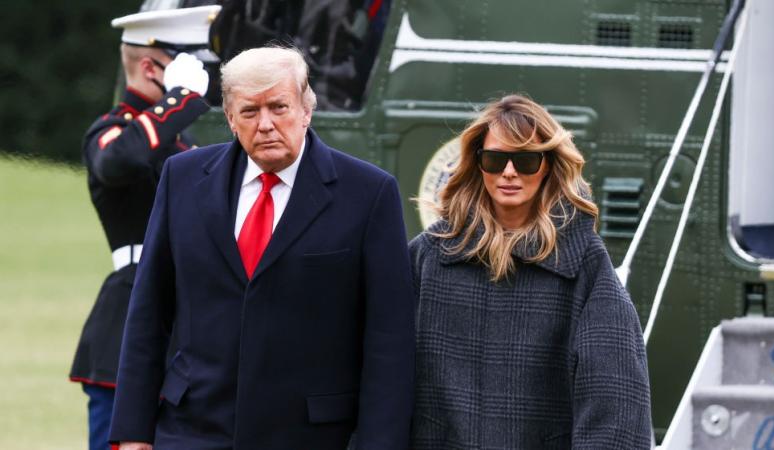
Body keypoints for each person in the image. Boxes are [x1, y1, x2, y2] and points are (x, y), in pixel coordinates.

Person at [108, 45, 415, 450]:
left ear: (307, 109)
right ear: (231, 118)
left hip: (311, 437)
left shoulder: (369, 193)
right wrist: (132, 434)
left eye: (279, 107)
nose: (266, 124)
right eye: (250, 111)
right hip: (192, 431)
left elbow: (389, 341)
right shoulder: (181, 178)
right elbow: (149, 314)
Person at [409, 94, 652, 449]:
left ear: (549, 165)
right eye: (494, 159)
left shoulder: (583, 263)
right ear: (478, 164)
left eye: (525, 160)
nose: (509, 172)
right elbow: (377, 374)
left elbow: (615, 404)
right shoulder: (429, 256)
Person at [68, 6, 219, 450]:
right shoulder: (110, 133)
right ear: (152, 67)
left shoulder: (181, 143)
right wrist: (180, 99)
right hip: (130, 319)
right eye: (190, 62)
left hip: (188, 321)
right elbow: (121, 161)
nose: (204, 77)